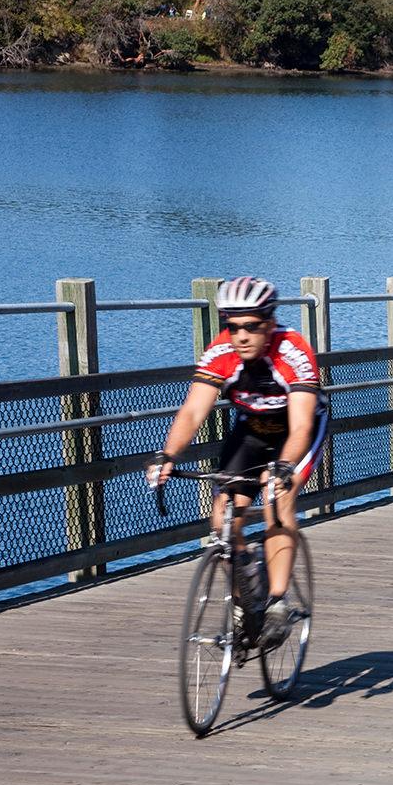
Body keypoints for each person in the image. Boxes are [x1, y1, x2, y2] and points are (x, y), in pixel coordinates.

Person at [147, 276, 328, 645]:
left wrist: (283, 468)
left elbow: (299, 427)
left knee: (278, 500)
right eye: (232, 326)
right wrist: (168, 455)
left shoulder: (293, 352)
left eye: (251, 327)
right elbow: (192, 412)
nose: (241, 336)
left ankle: (277, 603)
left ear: (270, 324)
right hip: (251, 429)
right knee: (223, 518)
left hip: (297, 431)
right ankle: (247, 593)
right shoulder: (221, 353)